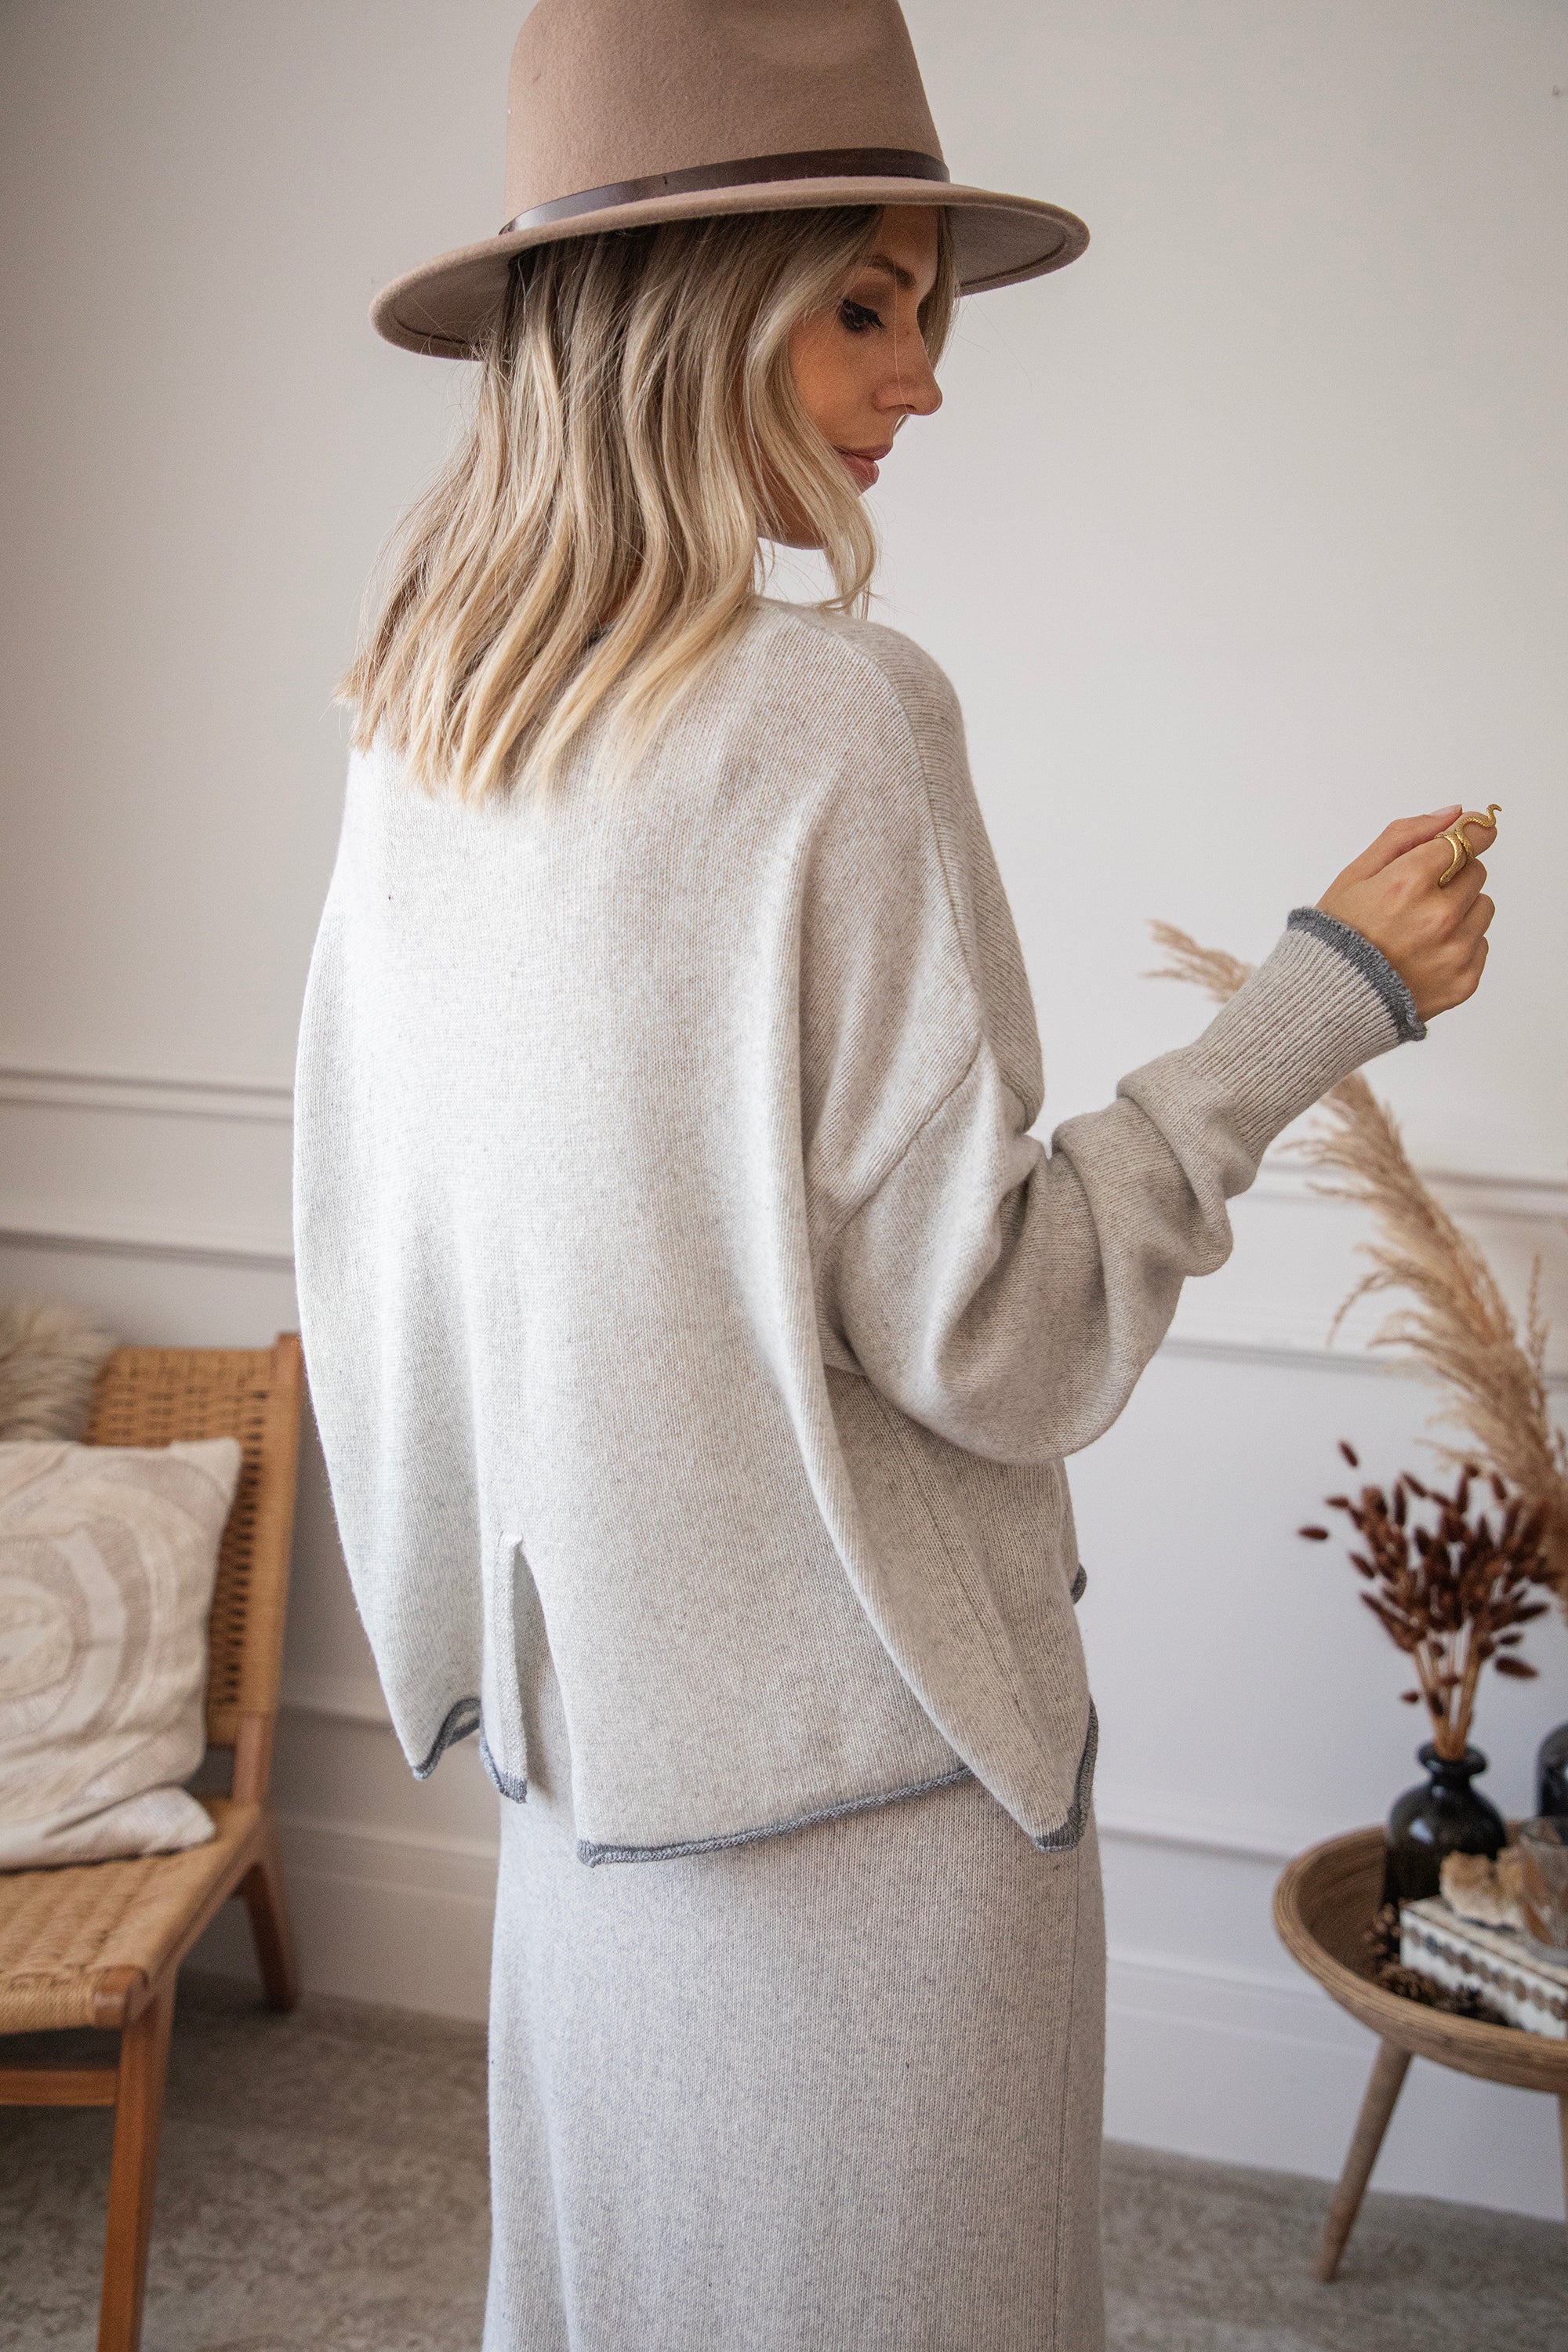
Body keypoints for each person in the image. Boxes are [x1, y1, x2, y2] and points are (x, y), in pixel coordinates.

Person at [293, 3, 1495, 2346]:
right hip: (875, 1807)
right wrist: (1324, 994)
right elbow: (1001, 1329)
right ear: (684, 312)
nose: (922, 378)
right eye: (864, 306)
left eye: (925, 313)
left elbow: (377, 1256)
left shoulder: (422, 723)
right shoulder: (836, 713)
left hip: (588, 1797)